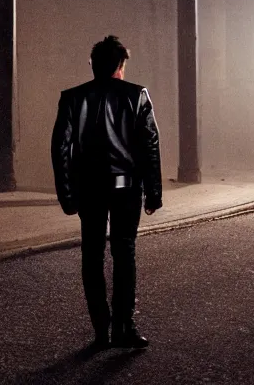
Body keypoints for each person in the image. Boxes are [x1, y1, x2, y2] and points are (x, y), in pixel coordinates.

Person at [51, 35, 162, 350]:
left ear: (93, 65)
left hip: (89, 190)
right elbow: (149, 146)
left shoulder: (73, 98)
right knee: (124, 254)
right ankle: (123, 327)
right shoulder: (137, 95)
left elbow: (60, 148)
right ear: (120, 66)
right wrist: (154, 192)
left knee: (92, 256)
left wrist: (67, 195)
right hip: (126, 189)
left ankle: (100, 329)